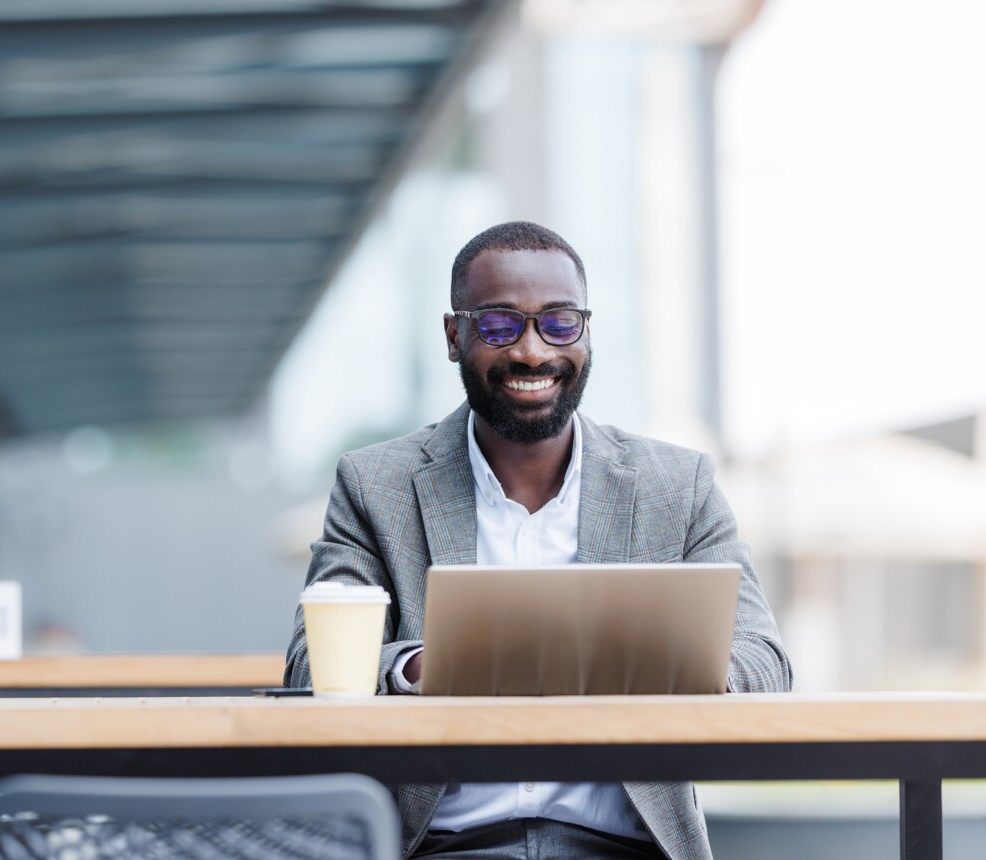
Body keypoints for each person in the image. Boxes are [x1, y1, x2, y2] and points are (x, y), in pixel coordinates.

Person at [283, 221, 792, 860]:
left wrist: (670, 664)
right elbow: (310, 670)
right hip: (440, 848)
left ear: (585, 331)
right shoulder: (373, 485)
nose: (531, 352)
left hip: (624, 848)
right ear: (453, 336)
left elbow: (766, 662)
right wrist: (420, 669)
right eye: (499, 325)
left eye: (558, 323)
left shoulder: (678, 485)